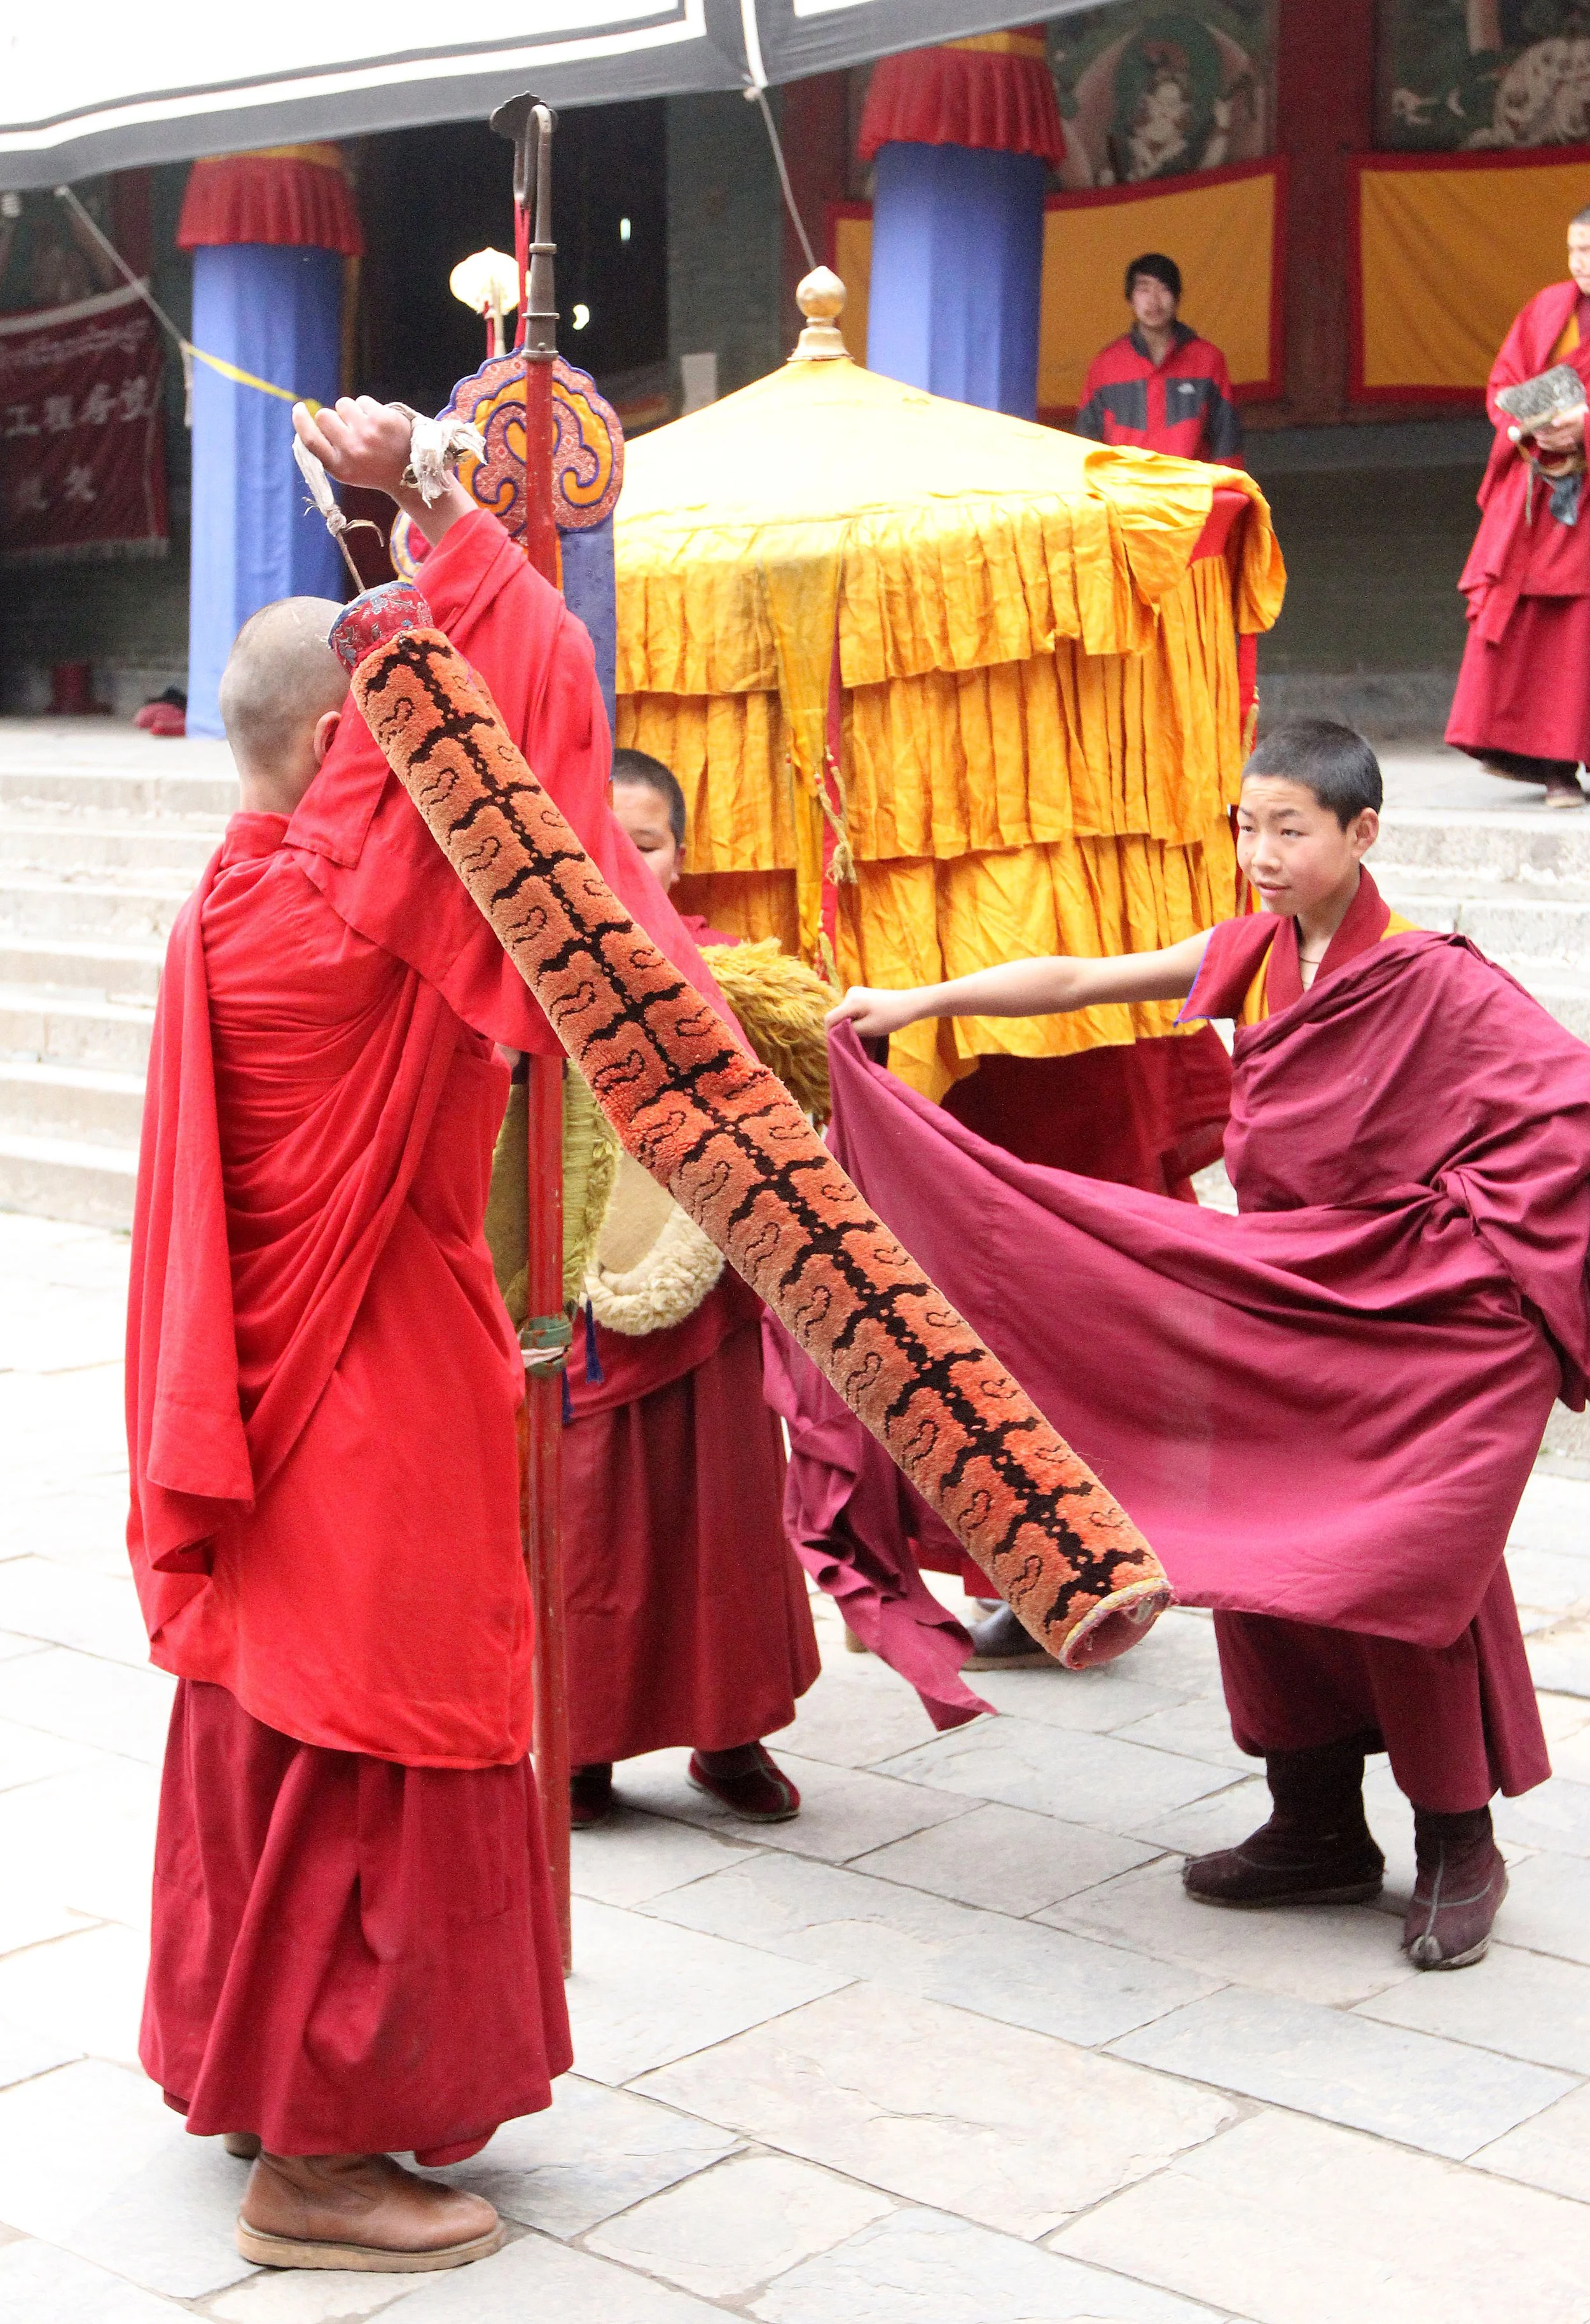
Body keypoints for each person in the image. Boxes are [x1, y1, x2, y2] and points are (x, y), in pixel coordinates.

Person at [127, 398, 733, 2271]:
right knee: (377, 1740)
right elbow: (536, 717)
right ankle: (315, 2157)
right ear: (346, 747)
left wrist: (389, 551)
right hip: (376, 1394)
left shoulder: (243, 900)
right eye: (393, 731)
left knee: (270, 1728)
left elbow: (477, 750)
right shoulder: (356, 912)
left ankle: (253, 2063)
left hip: (272, 1409)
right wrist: (447, 508)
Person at [829, 718, 1590, 1970]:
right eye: (1247, 826)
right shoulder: (1249, 955)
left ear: (1360, 834)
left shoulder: (1434, 978)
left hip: (1385, 1322)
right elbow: (1081, 980)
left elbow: (1563, 1114)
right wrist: (920, 1001)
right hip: (1267, 1300)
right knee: (1254, 1544)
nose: (1263, 851)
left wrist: (1457, 1258)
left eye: (1290, 827)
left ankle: (1457, 1840)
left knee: (1401, 1567)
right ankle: (1312, 1824)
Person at [558, 748, 820, 1829]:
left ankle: (731, 1733)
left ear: (684, 853)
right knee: (588, 1515)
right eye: (601, 845)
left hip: (708, 1298)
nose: (627, 867)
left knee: (721, 1514)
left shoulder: (736, 982)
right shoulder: (532, 973)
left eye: (648, 845)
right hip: (584, 1294)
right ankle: (578, 1746)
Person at [1446, 205, 1590, 810]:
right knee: (1546, 637)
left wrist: (1586, 427)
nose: (1581, 266)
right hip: (1544, 491)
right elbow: (1504, 383)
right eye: (1575, 252)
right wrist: (1532, 430)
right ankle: (1553, 764)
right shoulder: (1548, 310)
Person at [1074, 251, 1243, 464]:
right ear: (1130, 298)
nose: (1154, 301)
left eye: (1163, 289)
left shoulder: (1208, 361)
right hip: (1126, 491)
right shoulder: (1105, 366)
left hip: (1189, 491)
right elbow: (1085, 444)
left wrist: (1230, 492)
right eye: (1144, 290)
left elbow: (1226, 438)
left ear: (1177, 298)